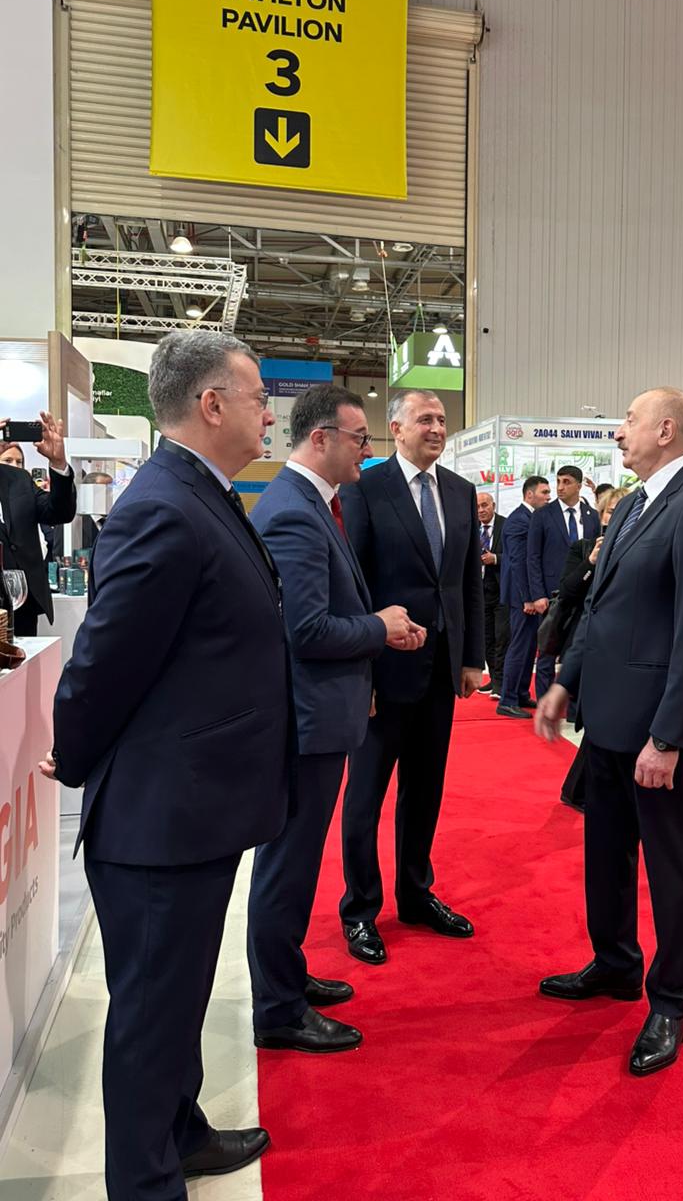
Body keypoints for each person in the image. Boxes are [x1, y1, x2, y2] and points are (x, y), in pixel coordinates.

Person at [39, 330, 292, 1199]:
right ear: (211, 404)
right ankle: (145, 1181)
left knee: (177, 999)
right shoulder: (165, 506)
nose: (269, 415)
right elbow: (104, 661)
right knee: (152, 1016)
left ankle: (180, 1133)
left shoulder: (200, 493)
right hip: (159, 817)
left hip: (195, 807)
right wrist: (74, 753)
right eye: (257, 398)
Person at [535, 387, 683, 1077]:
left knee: (669, 867)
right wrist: (566, 683)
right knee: (606, 855)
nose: (618, 432)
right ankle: (616, 963)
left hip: (656, 732)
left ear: (666, 429)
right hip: (606, 721)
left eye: (628, 420)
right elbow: (600, 609)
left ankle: (671, 1002)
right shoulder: (630, 506)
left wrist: (669, 737)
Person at [247, 385, 424, 1052]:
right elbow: (308, 629)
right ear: (320, 438)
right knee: (288, 866)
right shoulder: (296, 511)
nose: (367, 451)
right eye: (359, 438)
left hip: (320, 714)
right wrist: (379, 628)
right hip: (306, 721)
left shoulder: (312, 503)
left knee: (294, 864)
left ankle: (286, 979)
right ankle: (278, 1010)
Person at [338, 388, 484, 964]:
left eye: (442, 419)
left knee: (425, 791)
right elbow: (354, 583)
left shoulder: (459, 491)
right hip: (382, 671)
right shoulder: (365, 488)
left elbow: (467, 583)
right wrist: (362, 671)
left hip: (440, 670)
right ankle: (359, 909)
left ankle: (416, 894)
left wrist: (471, 658)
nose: (437, 428)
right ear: (395, 428)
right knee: (366, 797)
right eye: (425, 419)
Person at [555, 486, 630, 810]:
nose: (615, 517)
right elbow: (568, 591)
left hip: (622, 647)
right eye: (611, 511)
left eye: (621, 510)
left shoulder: (635, 547)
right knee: (599, 720)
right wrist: (591, 562)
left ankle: (581, 790)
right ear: (601, 516)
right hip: (587, 642)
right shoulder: (583, 547)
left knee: (606, 721)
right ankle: (580, 791)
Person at [527, 465, 600, 698]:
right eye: (558, 481)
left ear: (579, 485)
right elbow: (533, 556)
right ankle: (544, 701)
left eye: (566, 482)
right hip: (552, 594)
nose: (560, 487)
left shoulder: (591, 516)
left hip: (583, 590)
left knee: (578, 647)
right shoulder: (542, 515)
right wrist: (537, 594)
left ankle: (573, 702)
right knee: (547, 650)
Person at [0, 413, 76, 634]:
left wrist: (58, 463)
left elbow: (59, 513)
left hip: (21, 603)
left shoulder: (19, 479)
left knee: (24, 656)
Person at [495, 475, 551, 719]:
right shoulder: (519, 520)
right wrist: (527, 598)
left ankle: (519, 693)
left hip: (527, 595)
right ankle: (507, 699)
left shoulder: (531, 518)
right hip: (521, 596)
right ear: (529, 494)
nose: (549, 497)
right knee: (519, 646)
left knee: (529, 647)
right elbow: (518, 563)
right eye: (544, 492)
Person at [475, 490, 509, 695]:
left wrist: (495, 558)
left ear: (493, 506)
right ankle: (494, 679)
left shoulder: (506, 525)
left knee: (501, 638)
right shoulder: (472, 528)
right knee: (486, 638)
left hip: (501, 590)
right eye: (477, 506)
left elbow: (515, 556)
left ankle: (501, 682)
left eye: (485, 505)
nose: (481, 510)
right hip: (480, 592)